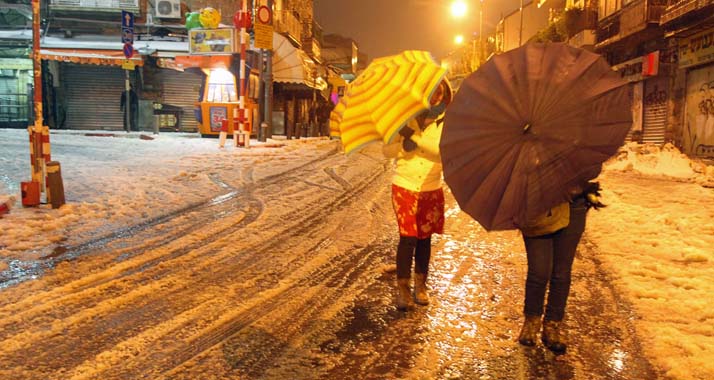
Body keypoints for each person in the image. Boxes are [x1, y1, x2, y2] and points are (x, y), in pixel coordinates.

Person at [382, 79, 452, 311]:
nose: (435, 95)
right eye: (431, 90)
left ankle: (421, 285)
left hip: (431, 187)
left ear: (444, 94)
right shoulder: (405, 119)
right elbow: (386, 150)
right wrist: (403, 145)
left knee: (424, 239)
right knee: (408, 237)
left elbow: (444, 152)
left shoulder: (448, 121)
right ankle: (403, 288)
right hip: (404, 184)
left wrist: (416, 138)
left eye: (439, 91)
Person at [517, 181, 606, 354]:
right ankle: (531, 323)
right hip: (538, 206)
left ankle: (553, 325)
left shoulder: (579, 153)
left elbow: (593, 167)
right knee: (539, 272)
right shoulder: (527, 153)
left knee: (561, 273)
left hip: (574, 206)